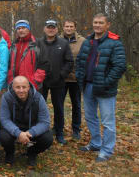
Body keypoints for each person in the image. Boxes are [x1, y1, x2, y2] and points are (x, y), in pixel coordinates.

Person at [76, 14, 126, 162]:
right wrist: (80, 78)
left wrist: (106, 82)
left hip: (105, 89)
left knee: (108, 122)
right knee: (90, 117)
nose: (97, 25)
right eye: (95, 22)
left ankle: (106, 150)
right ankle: (96, 143)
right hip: (87, 86)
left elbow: (120, 66)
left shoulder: (114, 43)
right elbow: (79, 61)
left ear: (107, 25)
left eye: (101, 23)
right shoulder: (88, 41)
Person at [0, 76, 53, 167]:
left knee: (47, 138)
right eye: (18, 87)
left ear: (28, 87)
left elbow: (45, 122)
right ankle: (10, 152)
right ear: (13, 87)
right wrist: (18, 133)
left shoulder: (38, 98)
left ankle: (32, 152)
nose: (21, 90)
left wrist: (30, 132)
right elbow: (4, 119)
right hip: (14, 127)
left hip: (32, 128)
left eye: (24, 87)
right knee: (3, 135)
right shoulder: (6, 97)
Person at [39, 19, 74, 145]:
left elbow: (69, 61)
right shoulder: (38, 43)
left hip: (58, 81)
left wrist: (62, 74)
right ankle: (40, 131)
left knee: (58, 107)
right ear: (44, 29)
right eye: (48, 27)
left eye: (53, 27)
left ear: (57, 29)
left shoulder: (63, 43)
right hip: (41, 82)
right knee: (39, 107)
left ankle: (59, 132)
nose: (51, 29)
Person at [59, 20, 86, 140]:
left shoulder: (83, 41)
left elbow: (86, 58)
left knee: (76, 105)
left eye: (71, 26)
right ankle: (58, 127)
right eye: (66, 26)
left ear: (75, 28)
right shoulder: (57, 39)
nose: (68, 28)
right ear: (63, 27)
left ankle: (76, 129)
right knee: (59, 105)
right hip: (61, 79)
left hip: (76, 79)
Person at [7, 20, 49, 89]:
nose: (21, 30)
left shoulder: (37, 44)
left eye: (23, 28)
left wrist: (35, 81)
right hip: (15, 84)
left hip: (31, 84)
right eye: (18, 28)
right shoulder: (14, 45)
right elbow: (9, 64)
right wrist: (10, 79)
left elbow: (44, 65)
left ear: (28, 29)